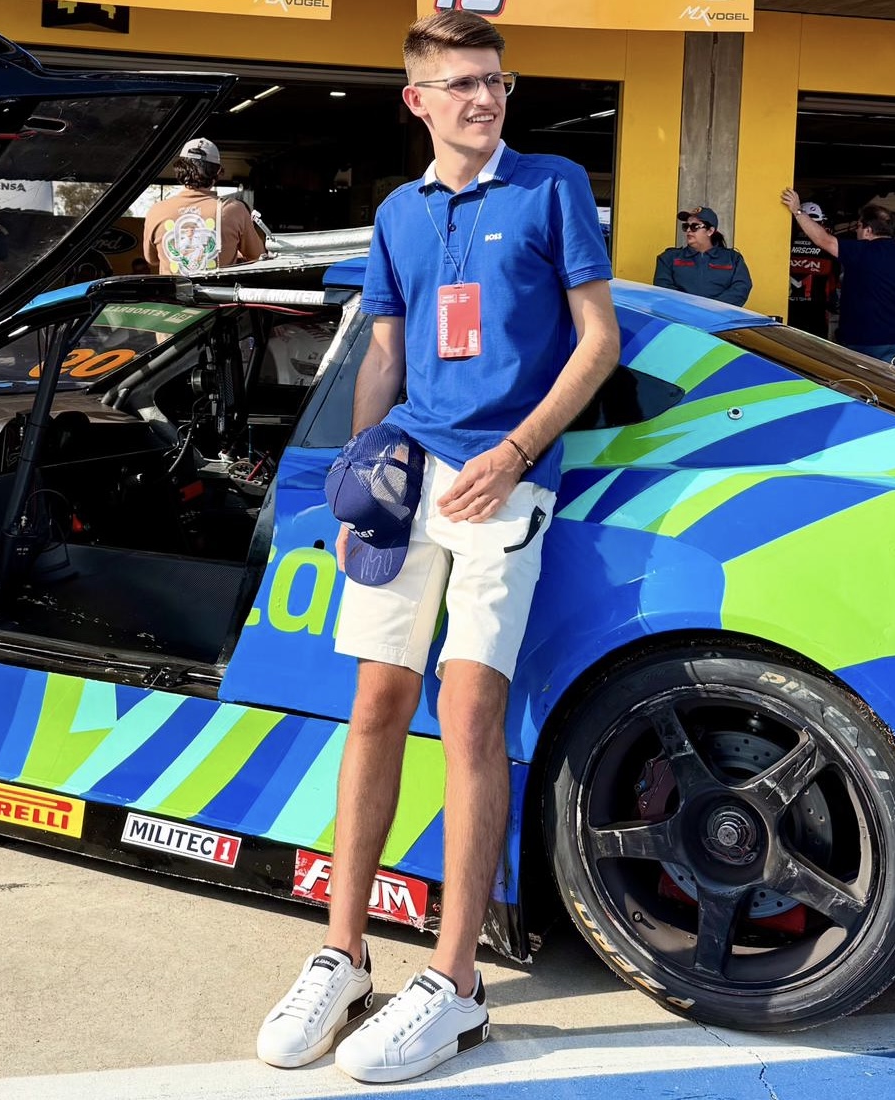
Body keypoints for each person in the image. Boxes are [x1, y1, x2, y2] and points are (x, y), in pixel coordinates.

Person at [255, 9, 618, 1084]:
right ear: (416, 100)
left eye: (496, 81)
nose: (485, 98)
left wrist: (513, 453)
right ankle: (341, 954)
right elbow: (384, 356)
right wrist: (352, 487)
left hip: (504, 488)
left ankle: (455, 982)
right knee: (374, 702)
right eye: (462, 83)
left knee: (467, 713)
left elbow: (597, 340)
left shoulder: (551, 186)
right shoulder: (396, 212)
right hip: (407, 480)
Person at [781, 190, 895, 363]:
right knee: (888, 380)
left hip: (862, 338)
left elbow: (823, 240)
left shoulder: (860, 250)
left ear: (868, 230)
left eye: (858, 226)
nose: (856, 231)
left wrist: (797, 210)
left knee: (853, 380)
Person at [142, 137, 265, 275]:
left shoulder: (156, 211)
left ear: (179, 169)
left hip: (173, 289)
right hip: (217, 289)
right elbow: (257, 256)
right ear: (217, 172)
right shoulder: (234, 209)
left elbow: (152, 259)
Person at [653, 206, 752, 305]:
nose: (688, 230)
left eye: (694, 226)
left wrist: (713, 307)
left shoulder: (733, 259)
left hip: (720, 313)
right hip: (680, 313)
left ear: (710, 231)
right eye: (686, 226)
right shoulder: (669, 258)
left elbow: (741, 288)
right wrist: (690, 307)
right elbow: (664, 288)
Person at [787, 201, 840, 338]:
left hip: (788, 308)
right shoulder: (827, 248)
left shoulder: (785, 242)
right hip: (817, 310)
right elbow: (834, 282)